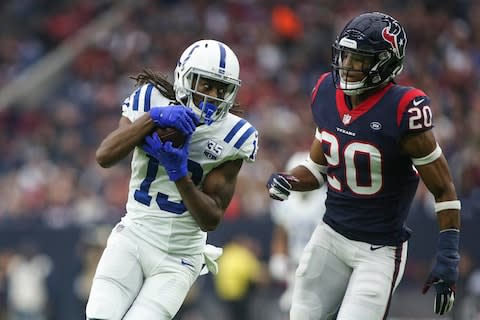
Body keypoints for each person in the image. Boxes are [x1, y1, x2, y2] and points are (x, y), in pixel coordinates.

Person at [267, 12, 461, 319]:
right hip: (330, 236)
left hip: (379, 250)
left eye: (359, 60)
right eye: (345, 56)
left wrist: (448, 256)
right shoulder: (327, 92)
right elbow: (317, 169)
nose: (347, 66)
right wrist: (289, 180)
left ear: (386, 62)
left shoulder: (403, 108)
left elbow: (444, 189)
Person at [86, 39, 258, 320]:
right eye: (205, 84)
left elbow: (211, 218)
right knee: (99, 316)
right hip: (134, 235)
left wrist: (180, 174)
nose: (213, 95)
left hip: (179, 256)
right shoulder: (151, 99)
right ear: (185, 77)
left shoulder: (235, 135)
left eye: (221, 88)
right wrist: (153, 118)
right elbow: (105, 156)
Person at [268, 151, 327, 314]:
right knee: (291, 306)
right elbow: (282, 231)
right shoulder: (286, 201)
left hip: (321, 264)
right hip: (295, 265)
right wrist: (278, 256)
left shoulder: (325, 199)